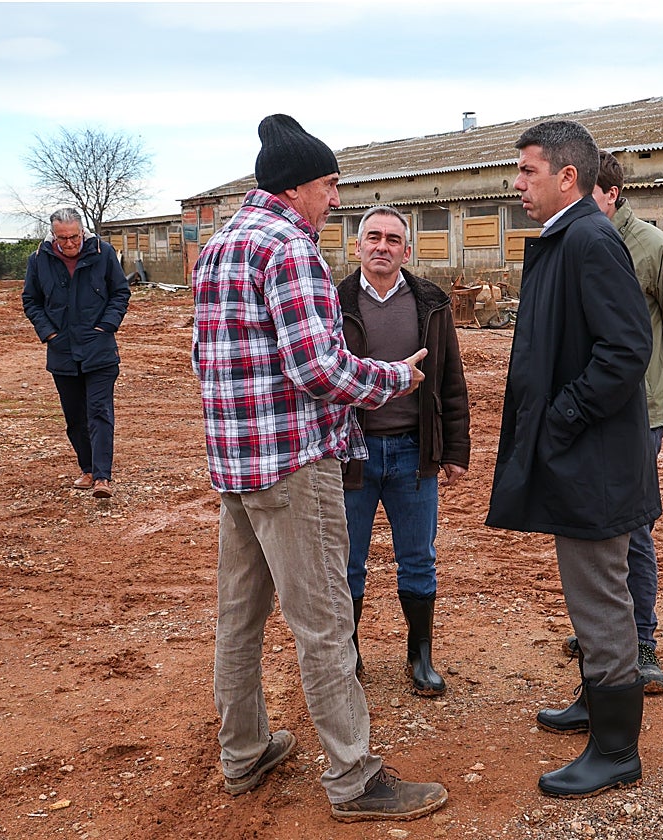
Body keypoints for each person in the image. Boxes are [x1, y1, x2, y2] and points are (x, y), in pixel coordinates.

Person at [191, 114, 447, 822]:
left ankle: (243, 752)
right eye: (331, 185)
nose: (337, 199)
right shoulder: (290, 249)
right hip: (295, 467)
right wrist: (393, 378)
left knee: (238, 620)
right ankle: (354, 778)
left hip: (238, 468)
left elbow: (205, 363)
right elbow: (317, 368)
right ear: (298, 185)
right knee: (326, 621)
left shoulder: (219, 247)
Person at [486, 120, 659, 799]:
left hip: (596, 462)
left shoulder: (589, 239)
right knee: (590, 596)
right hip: (581, 456)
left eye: (527, 171)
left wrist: (563, 416)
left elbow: (626, 350)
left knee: (602, 599)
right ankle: (595, 703)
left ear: (567, 177)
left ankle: (617, 751)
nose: (517, 183)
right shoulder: (568, 237)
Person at [550, 151, 663, 697]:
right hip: (589, 408)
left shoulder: (658, 250)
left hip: (639, 413)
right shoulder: (577, 242)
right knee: (590, 520)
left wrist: (657, 386)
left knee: (630, 525)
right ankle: (603, 631)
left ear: (610, 193)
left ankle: (641, 641)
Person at [337, 205, 470, 696]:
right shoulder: (334, 300)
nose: (382, 246)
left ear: (407, 251)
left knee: (418, 557)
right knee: (347, 561)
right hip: (352, 454)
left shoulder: (430, 302)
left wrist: (454, 449)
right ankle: (347, 657)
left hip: (414, 454)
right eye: (373, 237)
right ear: (357, 246)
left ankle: (420, 655)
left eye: (393, 239)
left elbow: (450, 381)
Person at [22, 207, 130, 499]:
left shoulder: (103, 253)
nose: (69, 244)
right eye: (62, 239)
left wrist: (106, 326)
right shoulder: (39, 259)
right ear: (52, 235)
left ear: (83, 232)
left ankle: (102, 477)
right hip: (62, 351)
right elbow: (31, 300)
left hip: (99, 350)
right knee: (74, 417)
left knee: (99, 411)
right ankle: (87, 468)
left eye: (74, 237)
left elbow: (121, 292)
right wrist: (49, 333)